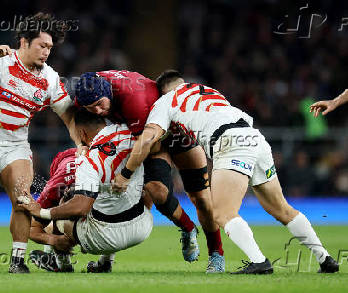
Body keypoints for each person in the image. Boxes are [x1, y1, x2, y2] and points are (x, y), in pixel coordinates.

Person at [113, 70, 339, 274]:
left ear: (162, 91)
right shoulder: (208, 91)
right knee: (281, 209)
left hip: (230, 143)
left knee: (222, 213)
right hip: (255, 138)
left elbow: (148, 139)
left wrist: (126, 173)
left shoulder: (165, 101)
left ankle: (259, 262)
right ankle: (325, 258)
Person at [0, 13, 80, 273]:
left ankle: (17, 261)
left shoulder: (50, 79)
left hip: (15, 146)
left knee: (23, 197)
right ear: (24, 41)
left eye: (50, 48)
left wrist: (82, 146)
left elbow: (69, 117)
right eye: (42, 46)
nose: (46, 52)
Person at [74, 71, 224, 272]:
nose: (99, 111)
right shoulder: (88, 90)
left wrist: (126, 174)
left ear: (108, 91)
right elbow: (70, 113)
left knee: (202, 199)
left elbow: (149, 144)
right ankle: (188, 228)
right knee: (156, 190)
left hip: (174, 136)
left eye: (100, 104)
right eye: (92, 108)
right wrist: (81, 143)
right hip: (147, 138)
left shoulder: (133, 101)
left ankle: (217, 254)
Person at [19, 110, 153, 273]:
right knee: (113, 198)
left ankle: (61, 264)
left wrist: (52, 238)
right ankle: (105, 262)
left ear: (81, 133)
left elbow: (32, 228)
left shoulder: (74, 170)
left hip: (101, 236)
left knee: (60, 212)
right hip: (144, 225)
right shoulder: (127, 134)